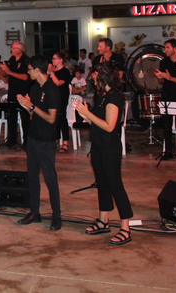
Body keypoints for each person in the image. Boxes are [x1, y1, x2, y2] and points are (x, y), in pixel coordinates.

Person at [74, 62, 134, 246]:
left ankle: (125, 228)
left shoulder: (114, 97)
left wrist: (87, 113)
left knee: (116, 185)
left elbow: (109, 126)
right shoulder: (101, 96)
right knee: (102, 184)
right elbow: (98, 123)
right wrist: (86, 115)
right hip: (98, 145)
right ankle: (103, 220)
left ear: (104, 76)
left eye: (95, 73)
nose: (92, 76)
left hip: (110, 147)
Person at [16, 55, 62, 231]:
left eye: (29, 69)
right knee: (32, 177)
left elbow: (51, 118)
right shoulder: (35, 88)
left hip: (46, 140)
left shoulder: (52, 90)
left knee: (50, 178)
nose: (27, 72)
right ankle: (34, 212)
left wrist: (33, 107)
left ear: (37, 70)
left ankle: (56, 215)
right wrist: (27, 107)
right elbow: (33, 115)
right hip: (33, 137)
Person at [0, 42, 30, 148]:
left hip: (23, 92)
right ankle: (12, 139)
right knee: (11, 117)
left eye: (13, 48)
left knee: (25, 118)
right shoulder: (12, 60)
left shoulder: (26, 60)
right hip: (12, 92)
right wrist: (4, 71)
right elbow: (8, 75)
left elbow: (26, 77)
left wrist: (9, 72)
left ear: (19, 49)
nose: (11, 49)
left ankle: (27, 141)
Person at [49, 51, 72, 153]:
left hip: (61, 97)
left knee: (62, 118)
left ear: (60, 60)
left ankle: (66, 142)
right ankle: (55, 139)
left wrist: (52, 73)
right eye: (53, 59)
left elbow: (58, 83)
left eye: (55, 59)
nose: (53, 60)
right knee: (53, 119)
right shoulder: (52, 71)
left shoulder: (65, 71)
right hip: (52, 96)